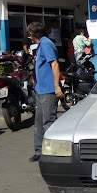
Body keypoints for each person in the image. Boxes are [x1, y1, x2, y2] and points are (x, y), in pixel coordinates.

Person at [28, 22, 63, 162]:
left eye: (29, 33)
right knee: (38, 122)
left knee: (49, 122)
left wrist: (56, 87)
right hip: (40, 89)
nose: (28, 36)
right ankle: (39, 151)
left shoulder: (46, 44)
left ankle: (53, 153)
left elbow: (54, 64)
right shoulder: (41, 45)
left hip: (49, 90)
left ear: (32, 33)